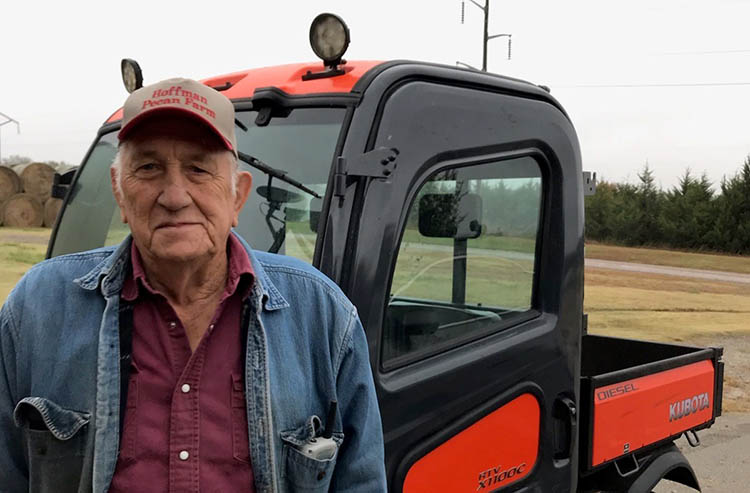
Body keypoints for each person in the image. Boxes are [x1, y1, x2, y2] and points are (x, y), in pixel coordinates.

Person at [0, 78, 386, 492]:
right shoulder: (38, 310)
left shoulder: (324, 316)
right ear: (119, 191)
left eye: (199, 168)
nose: (174, 195)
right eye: (148, 167)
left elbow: (359, 482)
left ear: (238, 197)